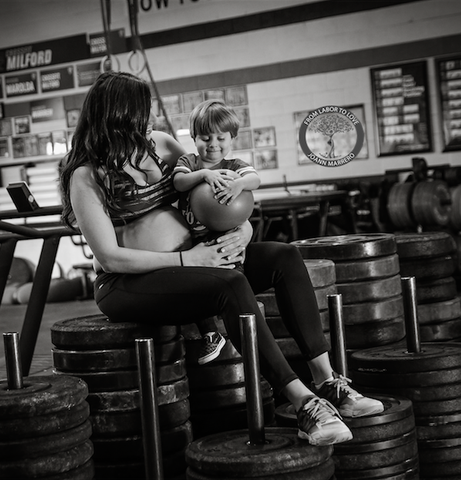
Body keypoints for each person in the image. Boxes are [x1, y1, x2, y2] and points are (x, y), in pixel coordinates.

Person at [59, 71, 383, 447]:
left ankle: (328, 382)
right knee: (230, 284)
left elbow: (219, 183)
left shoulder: (159, 145)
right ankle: (303, 403)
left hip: (196, 258)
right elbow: (111, 258)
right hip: (129, 283)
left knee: (284, 256)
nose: (148, 120)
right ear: (117, 115)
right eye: (141, 112)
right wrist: (190, 259)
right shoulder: (86, 175)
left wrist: (242, 230)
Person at [173, 99, 261, 365]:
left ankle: (245, 330)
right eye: (204, 137)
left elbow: (255, 178)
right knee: (193, 287)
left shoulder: (235, 166)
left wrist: (239, 185)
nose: (213, 144)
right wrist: (203, 175)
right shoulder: (189, 161)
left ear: (232, 137)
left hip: (225, 237)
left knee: (233, 279)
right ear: (193, 138)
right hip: (192, 241)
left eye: (221, 137)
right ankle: (211, 334)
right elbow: (178, 182)